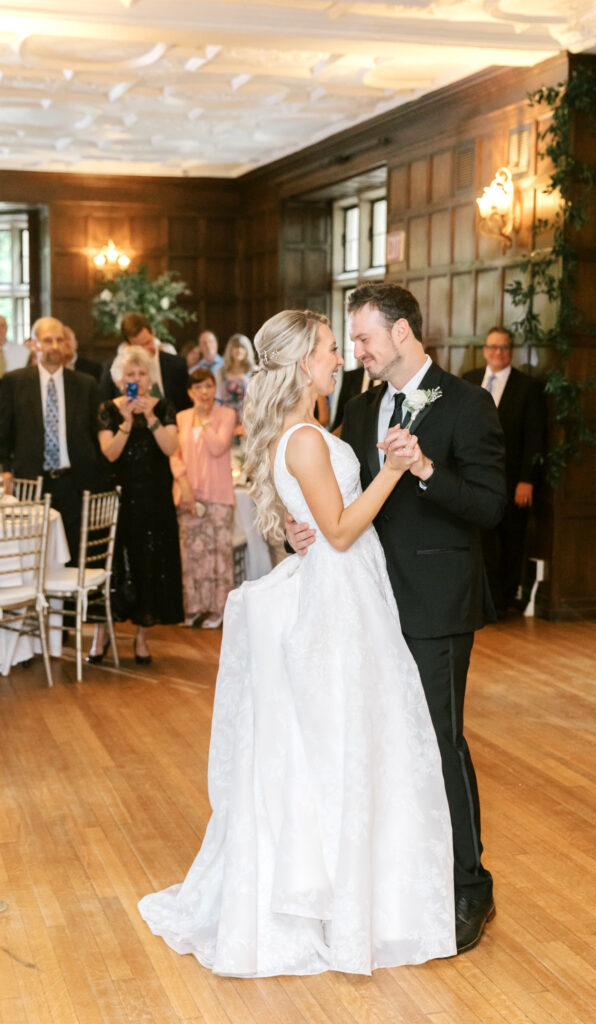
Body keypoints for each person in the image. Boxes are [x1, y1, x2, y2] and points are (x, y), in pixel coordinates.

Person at [138, 309, 456, 977]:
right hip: (340, 596)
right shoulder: (306, 438)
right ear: (299, 363)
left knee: (347, 742)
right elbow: (339, 531)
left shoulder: (300, 431)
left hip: (346, 590)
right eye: (328, 350)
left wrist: (291, 520)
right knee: (347, 744)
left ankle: (359, 900)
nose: (337, 360)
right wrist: (393, 471)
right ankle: (352, 905)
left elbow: (310, 520)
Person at [288, 284, 506, 953]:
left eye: (363, 339)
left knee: (440, 742)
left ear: (403, 332)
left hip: (435, 602)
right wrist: (307, 533)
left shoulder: (467, 404)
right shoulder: (356, 408)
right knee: (382, 745)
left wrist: (426, 469)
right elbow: (342, 498)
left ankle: (470, 887)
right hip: (366, 603)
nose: (356, 351)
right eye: (350, 342)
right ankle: (403, 876)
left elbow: (491, 507)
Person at [89, 345, 184, 664]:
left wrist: (151, 418)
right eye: (130, 374)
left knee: (150, 564)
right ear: (119, 380)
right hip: (117, 499)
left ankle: (143, 638)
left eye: (142, 373)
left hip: (154, 500)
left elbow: (171, 448)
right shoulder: (108, 409)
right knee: (113, 565)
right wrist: (128, 420)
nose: (137, 379)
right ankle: (101, 635)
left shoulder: (164, 407)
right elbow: (110, 453)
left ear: (150, 378)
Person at [0, 316, 101, 563]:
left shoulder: (86, 384)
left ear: (66, 344)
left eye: (59, 340)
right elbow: (3, 432)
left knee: (74, 553)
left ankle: (70, 603)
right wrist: (5, 470)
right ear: (35, 344)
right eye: (47, 340)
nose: (54, 346)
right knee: (33, 553)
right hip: (31, 480)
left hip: (74, 481)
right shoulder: (14, 383)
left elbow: (94, 434)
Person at [463, 327, 546, 612]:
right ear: (485, 350)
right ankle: (481, 601)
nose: (498, 352)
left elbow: (535, 437)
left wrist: (527, 480)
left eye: (504, 348)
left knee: (511, 541)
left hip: (512, 480)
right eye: (493, 347)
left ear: (512, 352)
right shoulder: (469, 381)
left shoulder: (529, 387)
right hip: (473, 479)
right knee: (480, 542)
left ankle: (503, 603)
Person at [171, 368, 236, 629]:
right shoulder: (181, 417)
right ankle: (193, 607)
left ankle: (218, 609)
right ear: (190, 392)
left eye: (209, 386)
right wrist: (183, 485)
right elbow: (174, 455)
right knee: (191, 555)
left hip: (218, 495)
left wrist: (205, 420)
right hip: (188, 495)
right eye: (198, 387)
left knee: (218, 554)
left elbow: (218, 447)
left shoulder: (227, 415)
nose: (204, 392)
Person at [99, 313, 191, 412]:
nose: (145, 350)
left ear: (153, 334)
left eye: (147, 343)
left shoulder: (176, 364)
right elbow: (105, 407)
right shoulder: (114, 367)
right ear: (128, 344)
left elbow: (185, 405)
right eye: (138, 346)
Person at [216, 332, 254, 429]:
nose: (239, 350)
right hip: (225, 418)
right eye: (236, 347)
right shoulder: (221, 371)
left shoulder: (254, 371)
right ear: (230, 350)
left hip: (248, 419)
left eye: (242, 347)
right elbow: (217, 397)